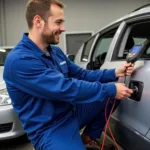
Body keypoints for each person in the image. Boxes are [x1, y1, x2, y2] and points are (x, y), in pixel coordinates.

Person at [3, 0, 134, 150]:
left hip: (71, 112)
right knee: (110, 91)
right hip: (50, 128)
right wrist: (111, 89)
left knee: (110, 94)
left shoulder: (56, 52)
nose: (63, 28)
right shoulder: (20, 60)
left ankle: (88, 136)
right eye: (58, 22)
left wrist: (114, 73)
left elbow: (81, 75)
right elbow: (65, 88)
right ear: (38, 21)